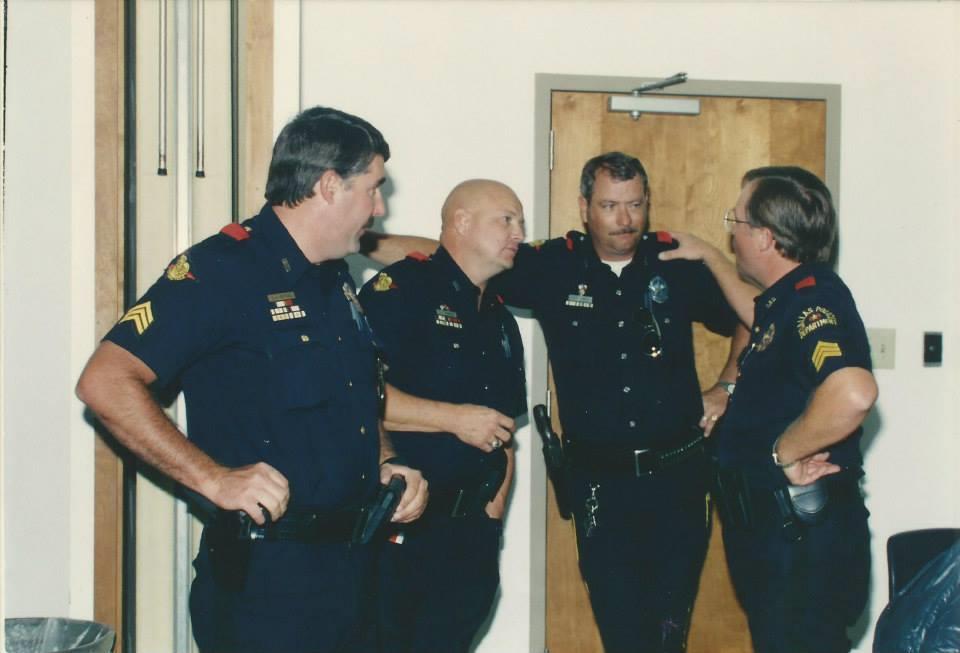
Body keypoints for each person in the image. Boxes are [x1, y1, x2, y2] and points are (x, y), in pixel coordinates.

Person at [75, 106, 428, 653]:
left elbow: (359, 399)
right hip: (269, 586)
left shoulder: (335, 280)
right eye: (373, 189)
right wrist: (214, 479)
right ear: (330, 186)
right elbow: (105, 380)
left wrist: (384, 461)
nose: (380, 209)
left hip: (355, 573)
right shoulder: (221, 271)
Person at [366, 152, 749, 653]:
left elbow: (756, 314)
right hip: (600, 481)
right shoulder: (553, 265)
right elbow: (454, 256)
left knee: (670, 622)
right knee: (619, 621)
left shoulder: (676, 263)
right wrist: (361, 239)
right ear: (585, 206)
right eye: (610, 205)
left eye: (635, 205)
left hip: (678, 476)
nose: (625, 219)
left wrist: (725, 387)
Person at [660, 166, 878, 653]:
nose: (730, 232)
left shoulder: (814, 302)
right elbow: (758, 315)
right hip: (781, 533)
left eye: (733, 222)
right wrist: (713, 259)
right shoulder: (788, 299)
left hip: (800, 538)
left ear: (762, 237)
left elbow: (852, 391)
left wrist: (783, 452)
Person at [358, 179, 527, 653]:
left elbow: (502, 432)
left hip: (469, 535)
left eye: (520, 222)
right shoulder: (401, 291)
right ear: (462, 222)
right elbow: (357, 396)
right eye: (507, 220)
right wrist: (452, 419)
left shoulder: (499, 317)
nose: (519, 232)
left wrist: (492, 525)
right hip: (404, 532)